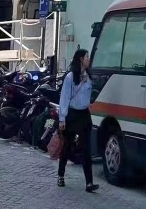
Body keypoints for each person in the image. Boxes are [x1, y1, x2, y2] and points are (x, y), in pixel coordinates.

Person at [57, 48, 98, 192]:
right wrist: (62, 118)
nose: (89, 59)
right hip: (72, 114)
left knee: (87, 148)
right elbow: (64, 98)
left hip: (84, 114)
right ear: (81, 59)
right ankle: (61, 175)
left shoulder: (89, 76)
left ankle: (89, 183)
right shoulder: (70, 77)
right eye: (87, 57)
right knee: (67, 145)